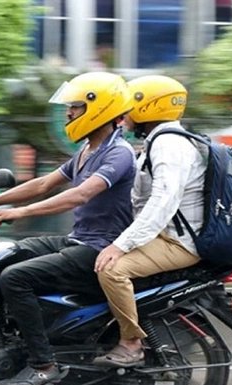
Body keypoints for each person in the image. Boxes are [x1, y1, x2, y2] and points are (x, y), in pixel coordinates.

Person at [0, 71, 136, 385]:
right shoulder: (86, 151)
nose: (68, 113)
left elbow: (80, 194)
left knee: (15, 277)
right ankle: (0, 340)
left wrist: (20, 212)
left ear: (102, 108)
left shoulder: (119, 153)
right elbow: (42, 184)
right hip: (78, 239)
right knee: (2, 256)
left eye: (76, 107)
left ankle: (43, 363)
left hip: (100, 249)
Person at [93, 75, 206, 367]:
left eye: (130, 105)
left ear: (149, 107)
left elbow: (162, 201)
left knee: (112, 270)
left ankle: (131, 344)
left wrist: (121, 245)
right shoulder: (160, 142)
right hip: (166, 235)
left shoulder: (170, 145)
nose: (125, 112)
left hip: (178, 242)